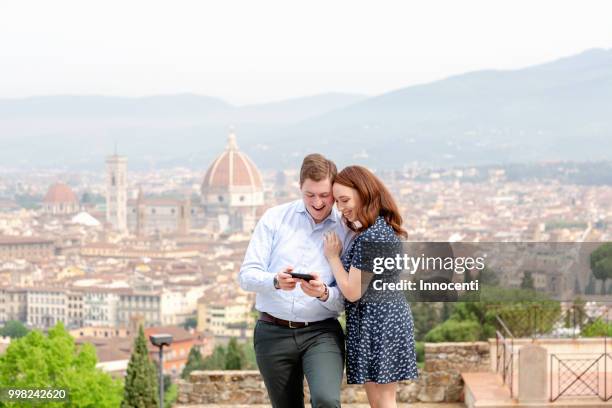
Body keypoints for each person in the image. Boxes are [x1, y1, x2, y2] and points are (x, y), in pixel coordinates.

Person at [239, 153, 351, 408]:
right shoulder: (274, 218)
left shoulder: (345, 231)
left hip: (321, 331)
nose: (318, 202)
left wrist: (323, 292)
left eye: (324, 195)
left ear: (334, 191)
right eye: (310, 194)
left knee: (326, 400)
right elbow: (246, 276)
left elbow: (347, 297)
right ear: (300, 187)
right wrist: (275, 281)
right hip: (272, 332)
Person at [323, 165, 418, 408]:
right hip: (377, 319)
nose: (341, 207)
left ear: (363, 193)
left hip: (380, 321)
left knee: (384, 400)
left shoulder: (372, 236)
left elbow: (353, 291)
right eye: (337, 201)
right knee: (379, 401)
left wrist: (333, 258)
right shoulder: (375, 229)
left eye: (345, 199)